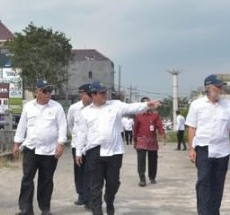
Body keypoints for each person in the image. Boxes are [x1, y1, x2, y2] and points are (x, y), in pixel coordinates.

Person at [74, 82, 161, 215]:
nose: (105, 95)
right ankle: (97, 211)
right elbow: (81, 133)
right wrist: (79, 151)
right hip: (94, 152)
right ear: (93, 95)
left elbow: (132, 107)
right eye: (102, 93)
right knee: (95, 185)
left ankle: (109, 200)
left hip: (115, 152)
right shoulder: (85, 112)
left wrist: (147, 105)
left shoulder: (115, 105)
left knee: (113, 183)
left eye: (105, 92)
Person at [186, 74, 230, 215]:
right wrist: (191, 148)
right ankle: (204, 212)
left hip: (222, 150)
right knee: (204, 182)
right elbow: (191, 127)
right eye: (218, 86)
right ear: (209, 88)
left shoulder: (227, 105)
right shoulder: (197, 105)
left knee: (218, 183)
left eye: (221, 87)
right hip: (203, 149)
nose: (221, 89)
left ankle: (214, 211)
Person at [13, 79, 68, 215]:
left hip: (50, 151)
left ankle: (45, 208)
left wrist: (61, 144)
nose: (48, 93)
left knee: (46, 181)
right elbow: (21, 127)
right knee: (27, 179)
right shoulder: (28, 107)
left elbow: (62, 127)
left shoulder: (57, 107)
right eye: (45, 91)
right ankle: (26, 209)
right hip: (31, 149)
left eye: (50, 90)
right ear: (37, 92)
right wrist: (16, 144)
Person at [66, 83, 93, 208]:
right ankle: (81, 194)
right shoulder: (74, 108)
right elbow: (71, 125)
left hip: (92, 145)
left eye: (84, 93)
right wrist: (77, 138)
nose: (82, 95)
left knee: (90, 172)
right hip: (77, 145)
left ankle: (89, 198)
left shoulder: (95, 107)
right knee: (79, 171)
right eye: (80, 93)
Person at [134, 96, 166, 186]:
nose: (148, 106)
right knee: (141, 161)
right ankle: (142, 178)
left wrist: (162, 134)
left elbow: (159, 125)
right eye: (145, 104)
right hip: (141, 141)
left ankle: (152, 177)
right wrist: (135, 140)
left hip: (152, 141)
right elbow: (135, 129)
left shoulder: (155, 115)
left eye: (149, 103)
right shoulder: (138, 116)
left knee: (153, 160)